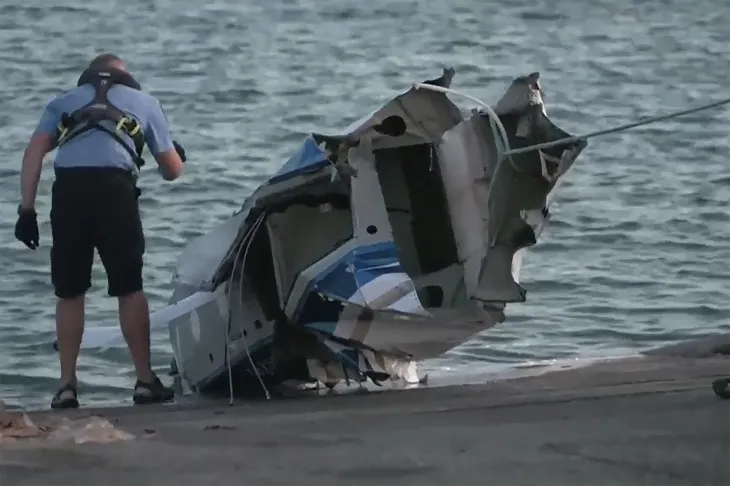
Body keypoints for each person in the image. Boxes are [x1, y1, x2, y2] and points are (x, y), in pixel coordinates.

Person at [14, 53, 187, 409]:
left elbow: (33, 154)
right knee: (129, 287)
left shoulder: (62, 102)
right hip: (114, 190)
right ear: (127, 77)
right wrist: (176, 156)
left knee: (69, 291)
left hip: (69, 192)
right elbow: (172, 171)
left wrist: (26, 210)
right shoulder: (144, 102)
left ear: (88, 76)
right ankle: (144, 381)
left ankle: (66, 386)